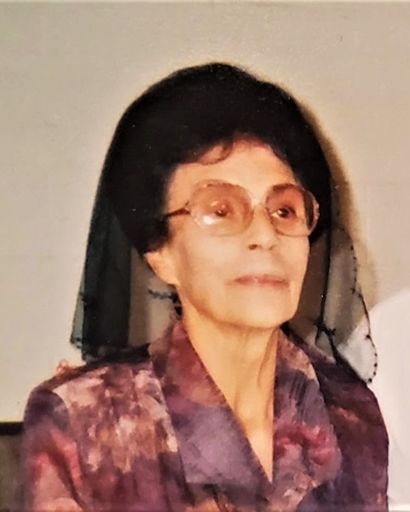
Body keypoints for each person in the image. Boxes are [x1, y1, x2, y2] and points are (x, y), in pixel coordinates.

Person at [20, 63, 388, 511]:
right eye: (221, 210)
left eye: (284, 211)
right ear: (161, 253)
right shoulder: (83, 423)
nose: (265, 235)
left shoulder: (349, 416)